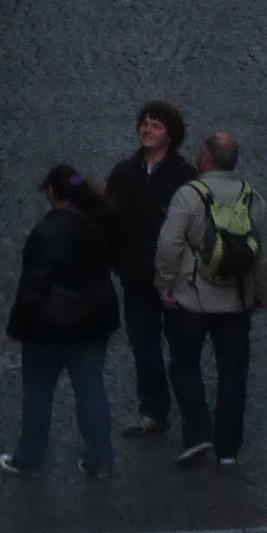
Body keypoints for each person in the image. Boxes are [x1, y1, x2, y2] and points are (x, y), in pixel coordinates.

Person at [156, 128, 267, 466]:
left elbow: (169, 244)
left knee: (185, 364)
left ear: (204, 159)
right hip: (236, 301)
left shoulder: (189, 196)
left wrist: (165, 283)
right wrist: (259, 293)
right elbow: (265, 254)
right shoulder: (253, 198)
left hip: (192, 299)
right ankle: (228, 449)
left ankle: (198, 432)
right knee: (233, 373)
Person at [0, 164, 119, 475]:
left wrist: (17, 327)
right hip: (94, 322)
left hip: (49, 328)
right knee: (91, 390)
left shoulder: (47, 232)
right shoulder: (102, 220)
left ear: (52, 192)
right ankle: (101, 458)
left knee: (38, 392)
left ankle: (30, 457)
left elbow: (32, 286)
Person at [101, 101, 194, 434]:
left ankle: (191, 416)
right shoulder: (123, 174)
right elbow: (106, 221)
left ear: (170, 135)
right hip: (136, 278)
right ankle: (153, 409)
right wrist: (116, 262)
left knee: (182, 350)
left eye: (156, 126)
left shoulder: (184, 177)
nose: (148, 130)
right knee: (144, 347)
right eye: (145, 124)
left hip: (176, 281)